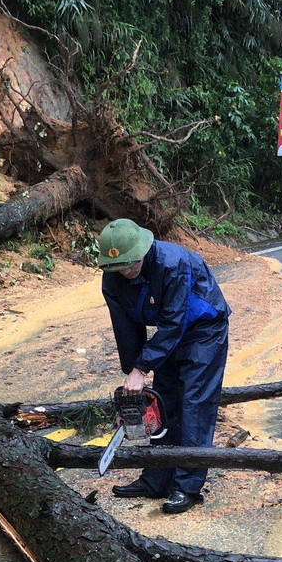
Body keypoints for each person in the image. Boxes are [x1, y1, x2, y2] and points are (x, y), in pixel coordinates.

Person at [95, 218, 230, 514]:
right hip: (170, 333)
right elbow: (126, 328)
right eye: (120, 268)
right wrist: (132, 378)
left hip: (203, 330)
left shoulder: (172, 264)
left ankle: (187, 486)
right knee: (165, 401)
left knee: (194, 402)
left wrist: (143, 368)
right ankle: (156, 478)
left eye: (132, 265)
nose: (127, 273)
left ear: (143, 251)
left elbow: (173, 322)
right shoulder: (113, 278)